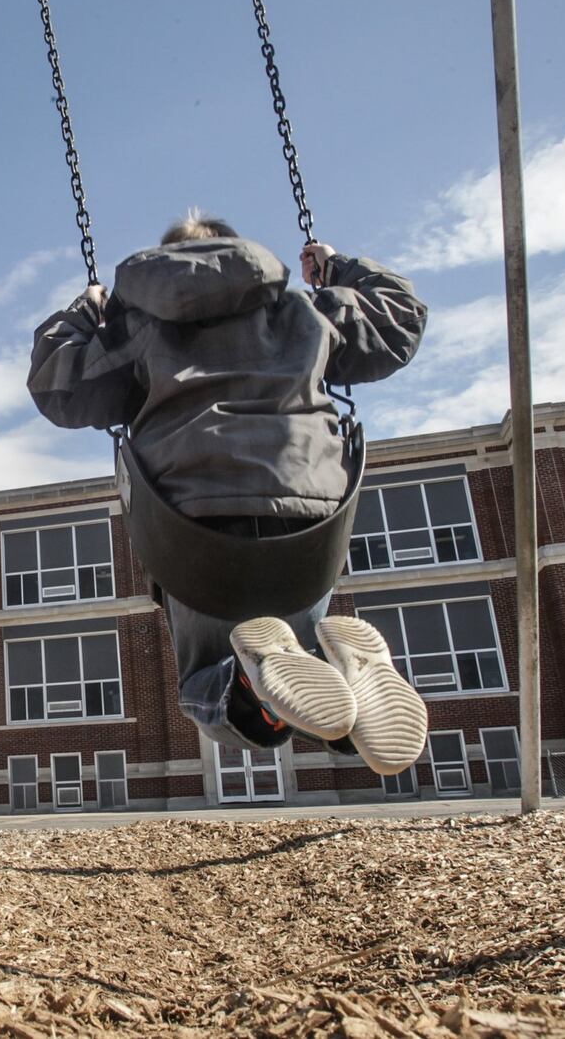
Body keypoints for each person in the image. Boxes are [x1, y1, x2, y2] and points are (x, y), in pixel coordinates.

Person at [26, 212, 430, 775]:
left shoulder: (136, 327)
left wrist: (86, 310)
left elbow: (57, 385)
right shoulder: (300, 310)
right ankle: (348, 682)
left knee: (208, 685)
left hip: (192, 523)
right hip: (310, 509)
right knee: (301, 648)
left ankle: (251, 682)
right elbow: (398, 320)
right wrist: (337, 267)